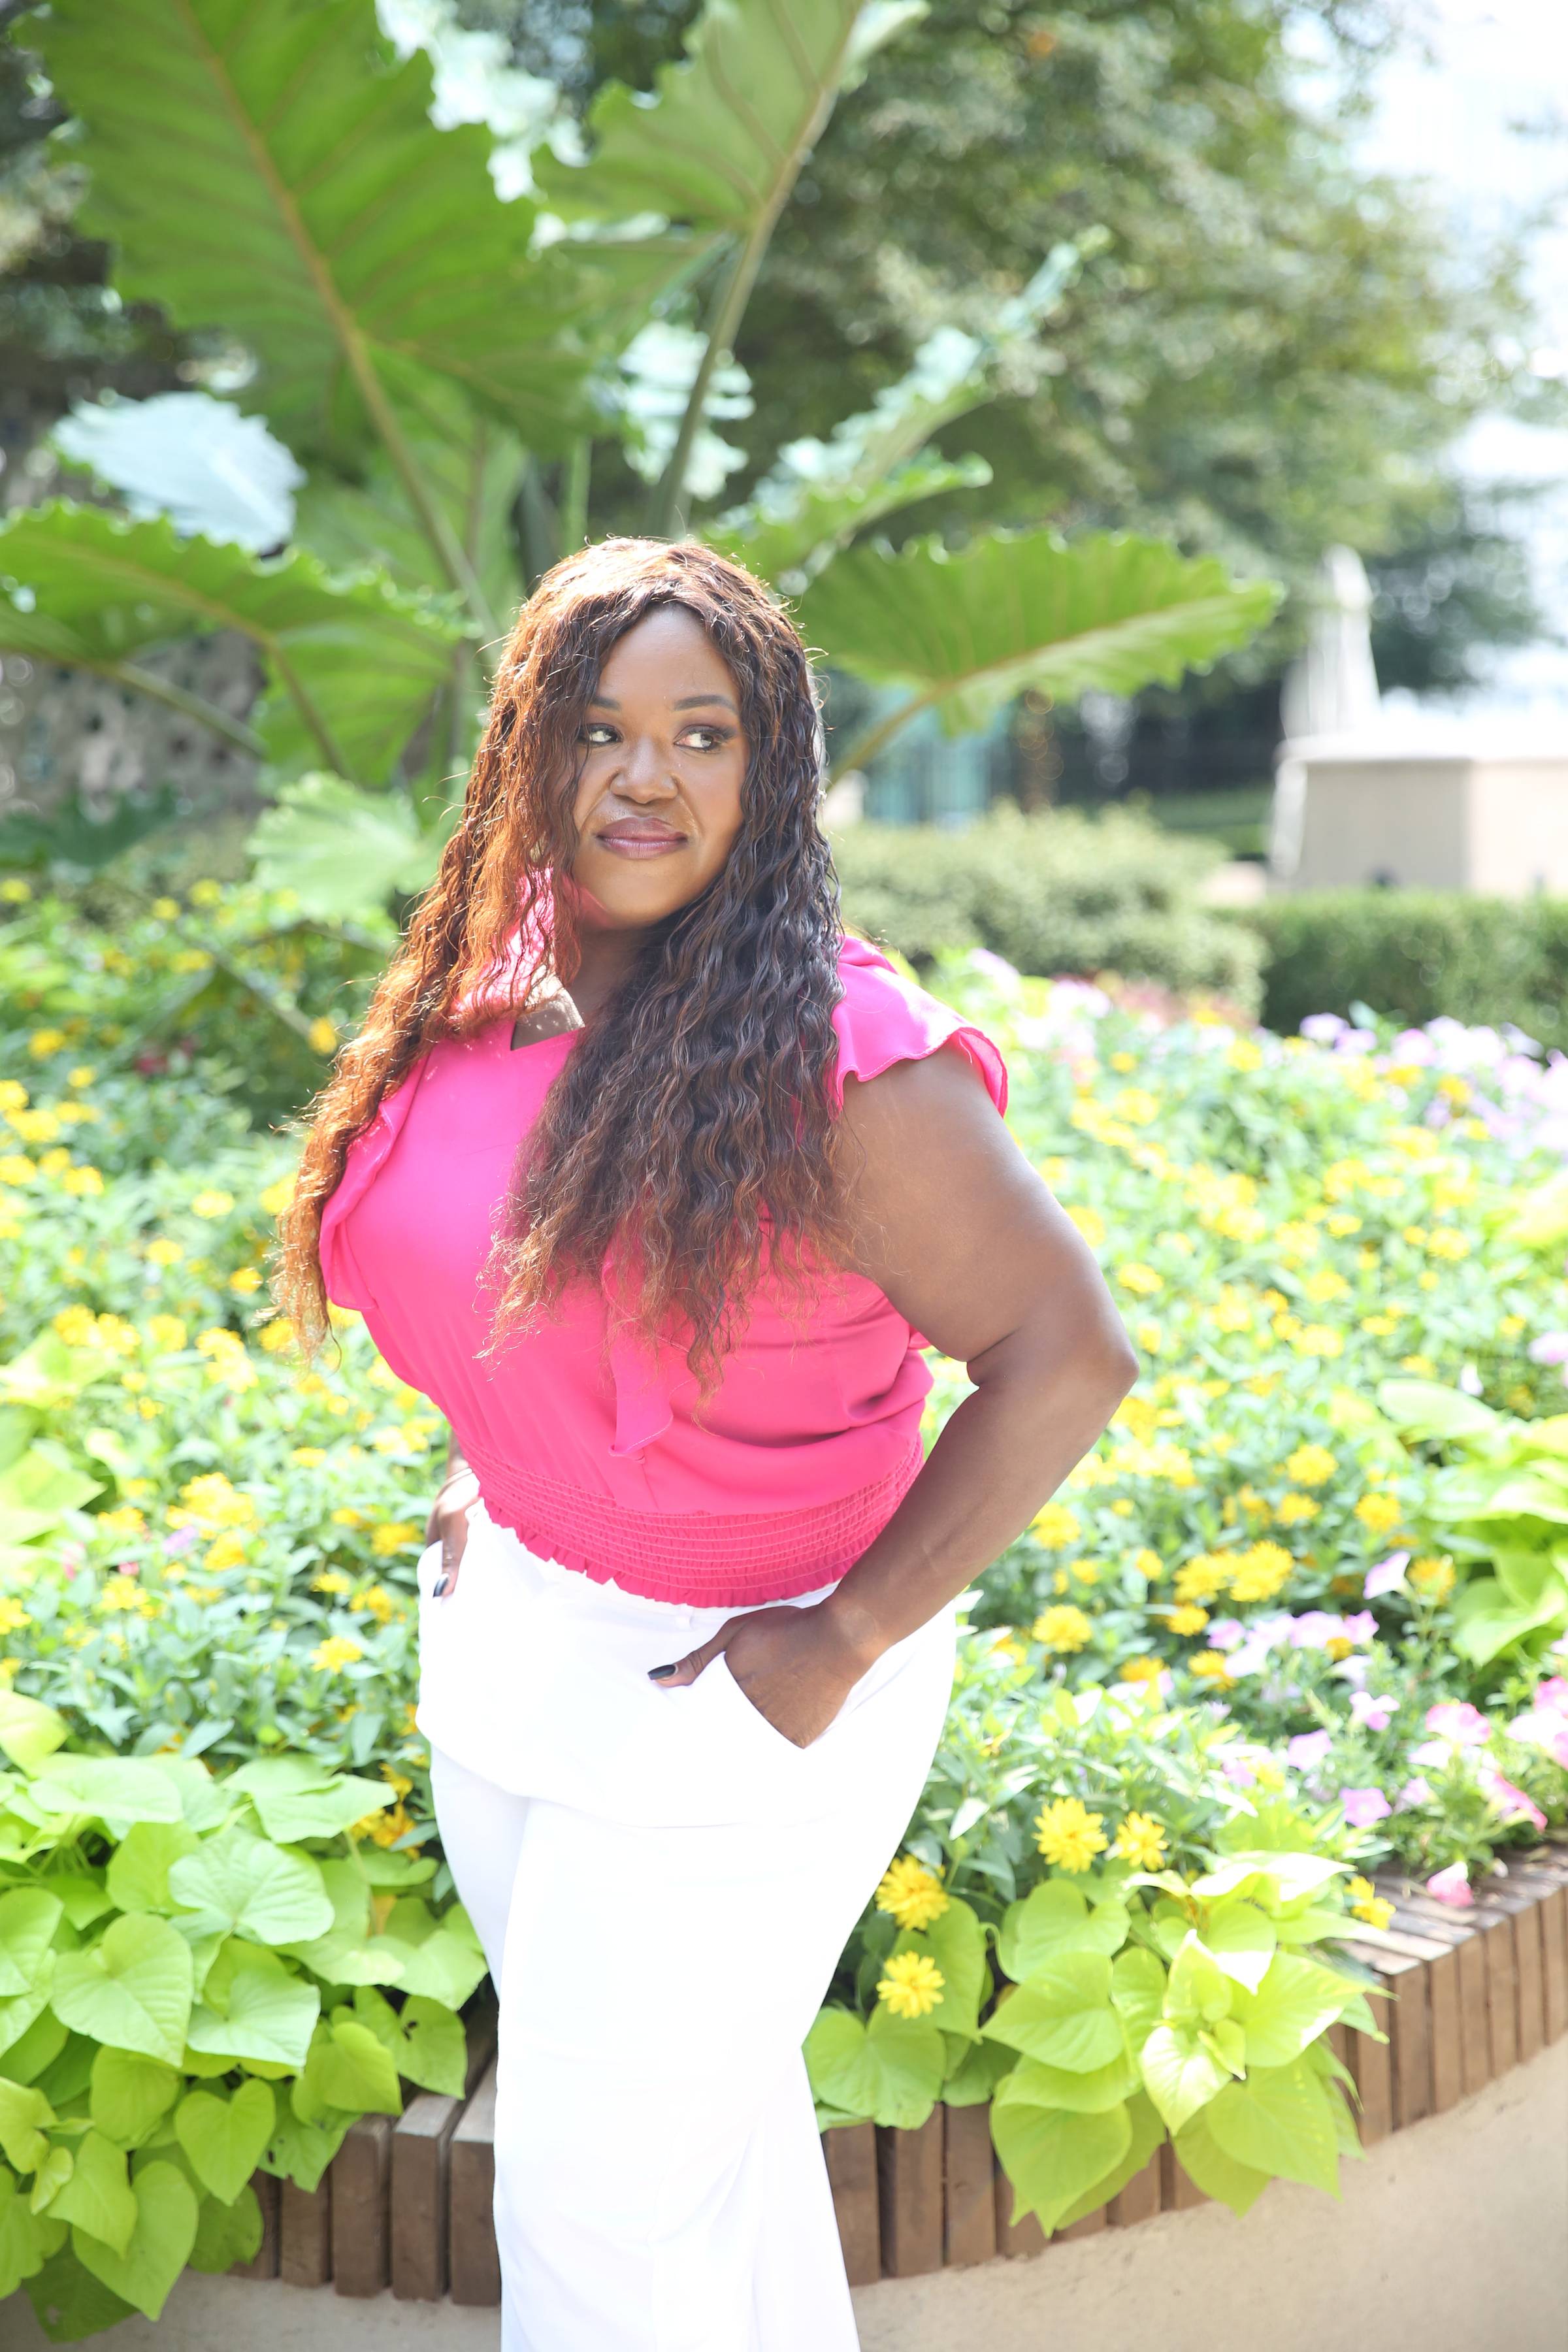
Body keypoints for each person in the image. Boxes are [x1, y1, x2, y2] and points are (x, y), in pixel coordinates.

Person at [275, 536, 1137, 2351]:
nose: (642, 776)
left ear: (773, 770)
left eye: (701, 733)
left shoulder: (841, 1055)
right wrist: (494, 1460)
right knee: (689, 2166)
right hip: (517, 1649)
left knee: (592, 2209)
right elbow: (491, 1275)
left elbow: (1066, 1354)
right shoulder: (493, 994)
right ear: (528, 752)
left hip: (740, 1687)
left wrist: (842, 1641)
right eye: (594, 728)